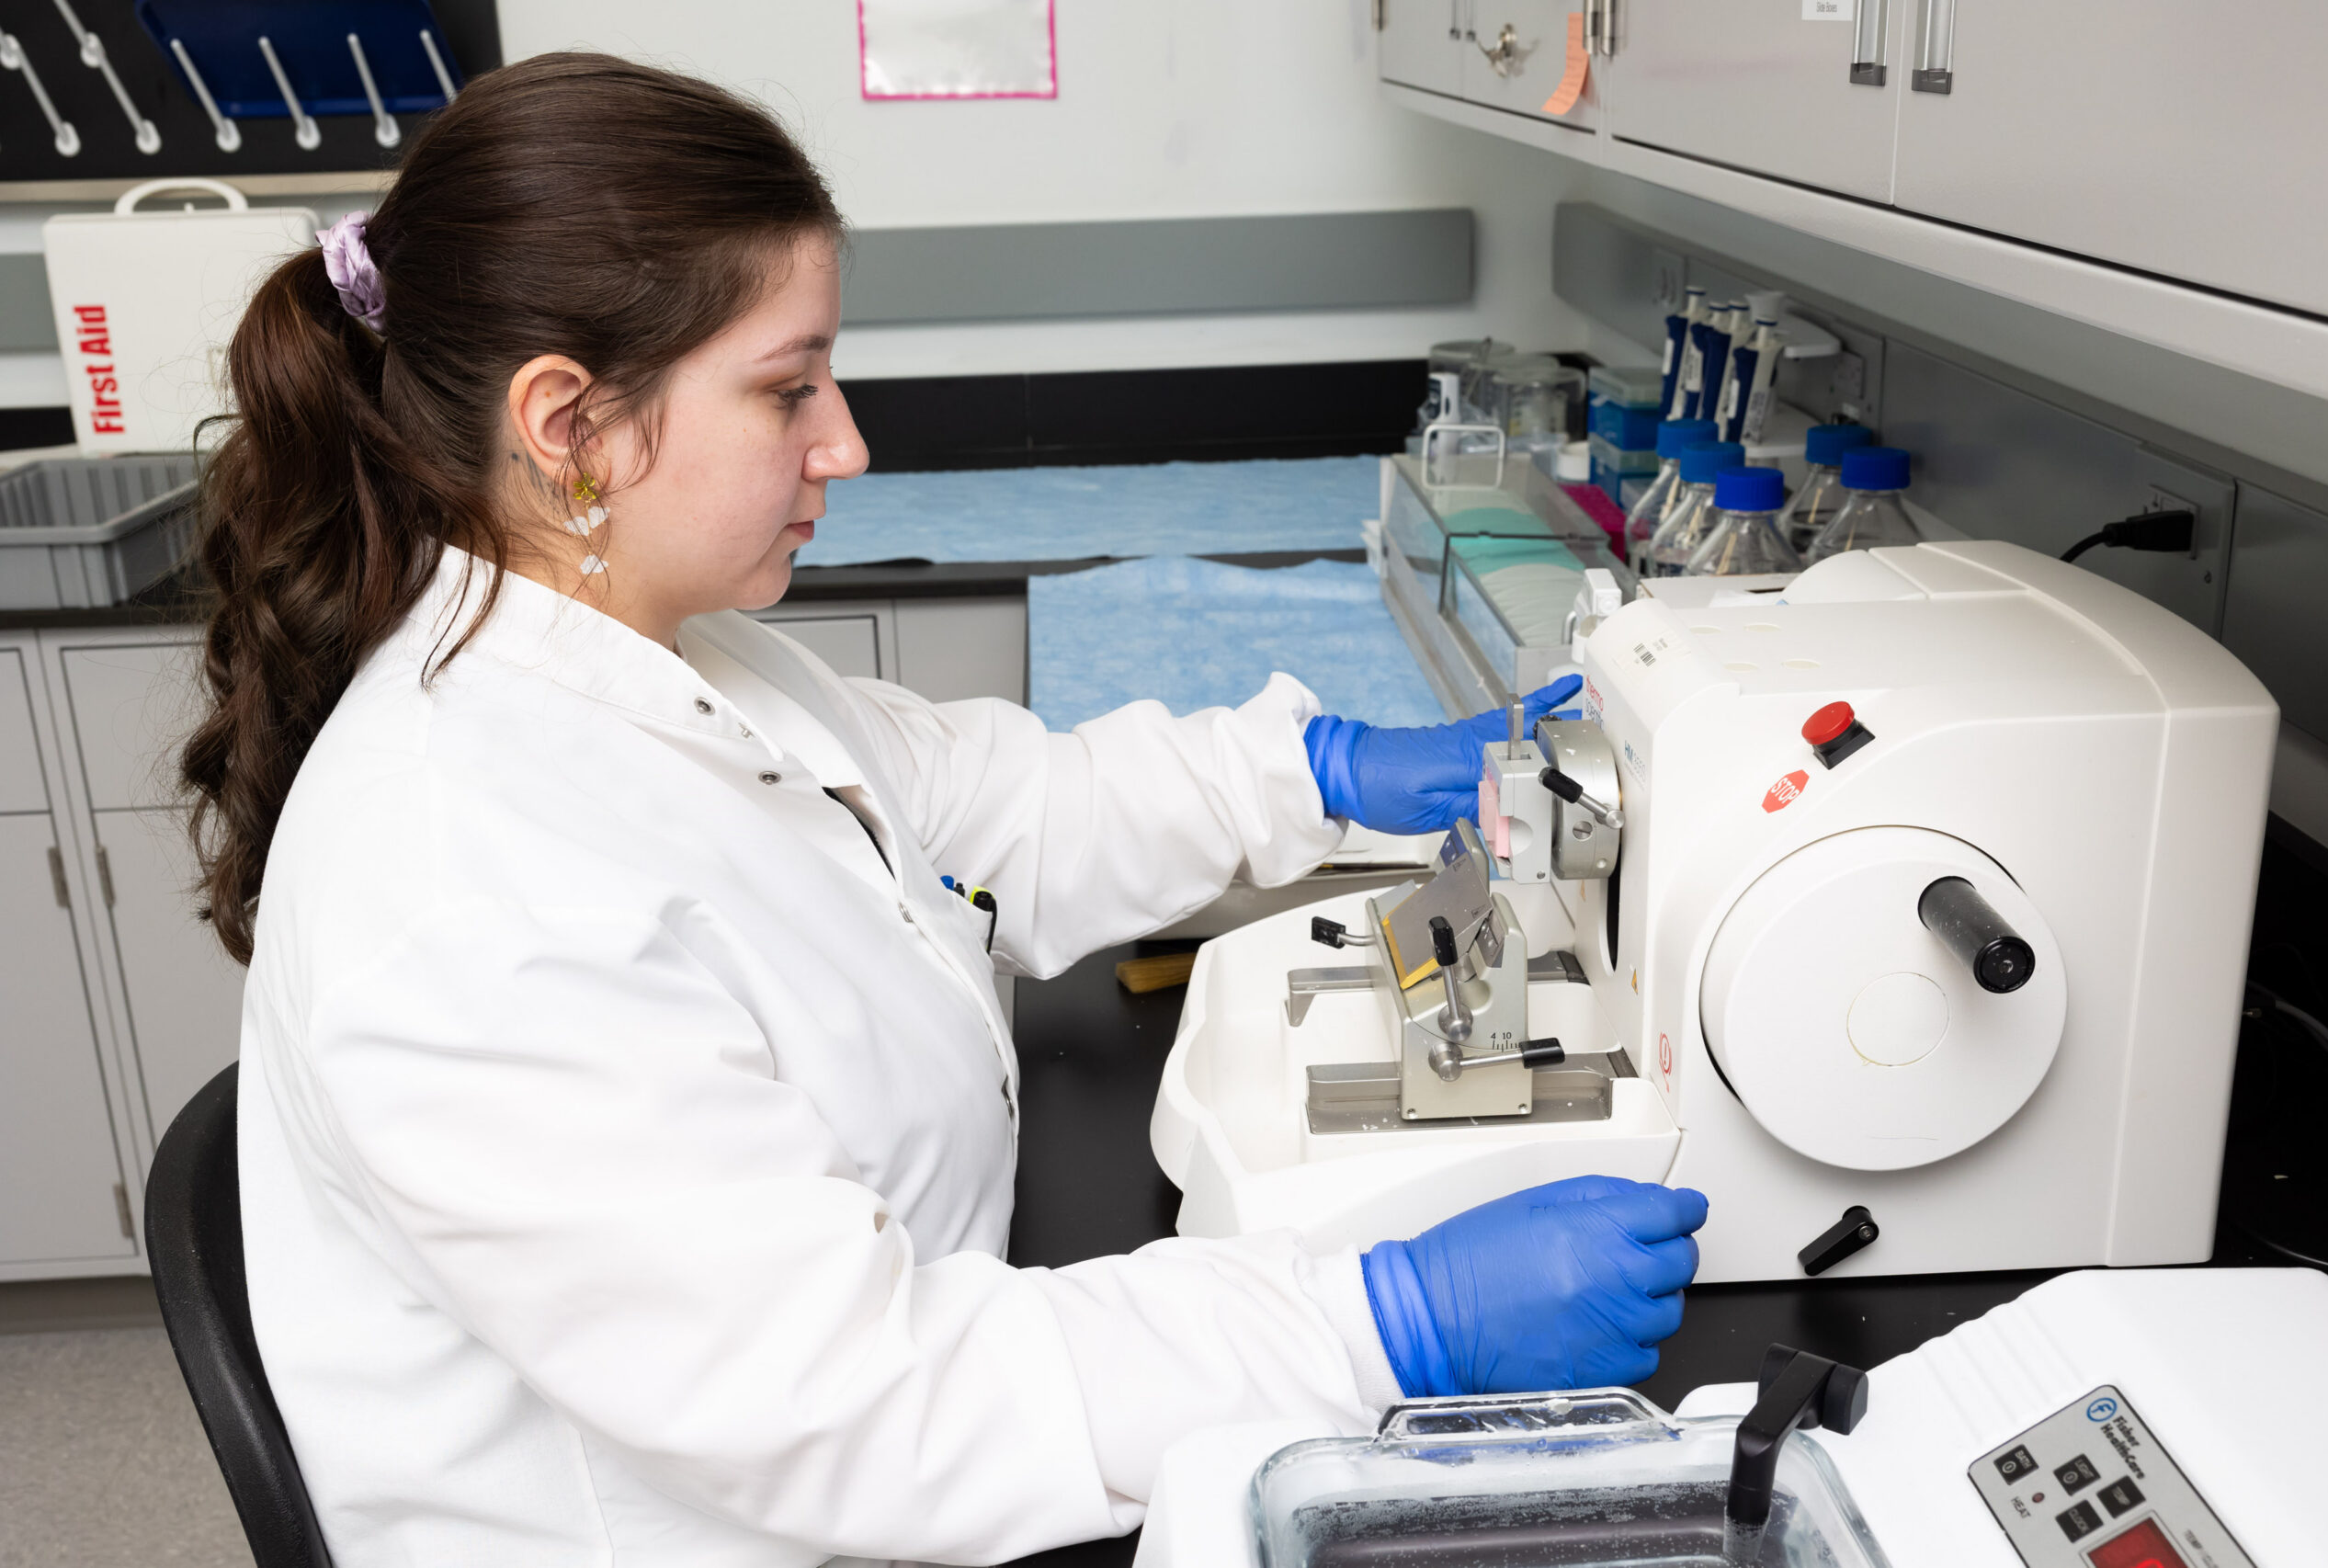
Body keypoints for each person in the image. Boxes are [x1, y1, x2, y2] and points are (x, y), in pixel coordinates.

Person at [180, 53, 1708, 1567]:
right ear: (570, 424)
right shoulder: (465, 874)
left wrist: (1314, 771)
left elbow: (999, 806)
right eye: (787, 387)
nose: (844, 442)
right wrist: (1382, 1321)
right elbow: (863, 1404)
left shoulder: (677, 663)